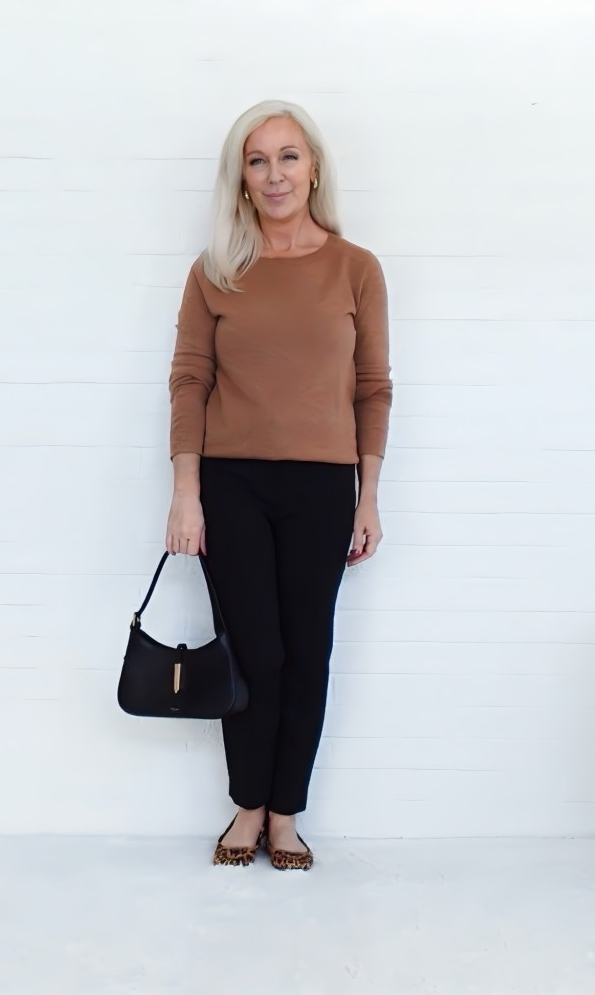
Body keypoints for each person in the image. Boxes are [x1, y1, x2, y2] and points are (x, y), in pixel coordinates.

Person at [166, 99, 392, 870]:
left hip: (325, 484)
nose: (274, 174)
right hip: (230, 483)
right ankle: (247, 804)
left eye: (288, 156)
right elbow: (189, 381)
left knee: (308, 650)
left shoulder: (356, 266)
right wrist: (185, 493)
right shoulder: (216, 269)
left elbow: (373, 389)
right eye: (257, 160)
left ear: (314, 167)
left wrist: (367, 495)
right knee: (254, 650)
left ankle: (286, 813)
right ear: (242, 178)